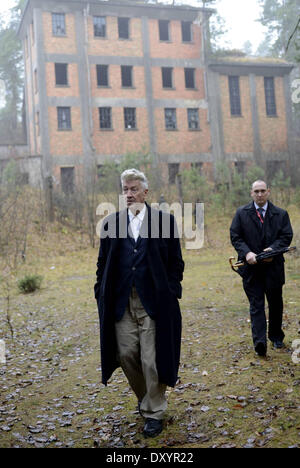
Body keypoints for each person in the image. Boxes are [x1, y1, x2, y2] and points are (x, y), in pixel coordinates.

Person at [94, 168, 184, 438]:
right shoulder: (111, 223)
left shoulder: (164, 222)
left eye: (134, 189)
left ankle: (154, 412)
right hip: (121, 301)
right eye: (125, 189)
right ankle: (147, 398)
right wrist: (99, 290)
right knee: (125, 354)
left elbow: (175, 263)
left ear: (146, 192)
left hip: (153, 302)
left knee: (151, 358)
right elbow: (102, 264)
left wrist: (170, 290)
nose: (129, 194)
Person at [230, 180, 293, 357]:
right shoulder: (241, 213)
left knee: (275, 303)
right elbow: (235, 236)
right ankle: (260, 342)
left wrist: (273, 249)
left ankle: (276, 336)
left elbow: (286, 236)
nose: (259, 194)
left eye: (262, 191)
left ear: (268, 192)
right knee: (256, 305)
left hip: (273, 268)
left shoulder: (281, 214)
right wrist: (247, 253)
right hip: (251, 269)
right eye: (256, 191)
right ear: (251, 193)